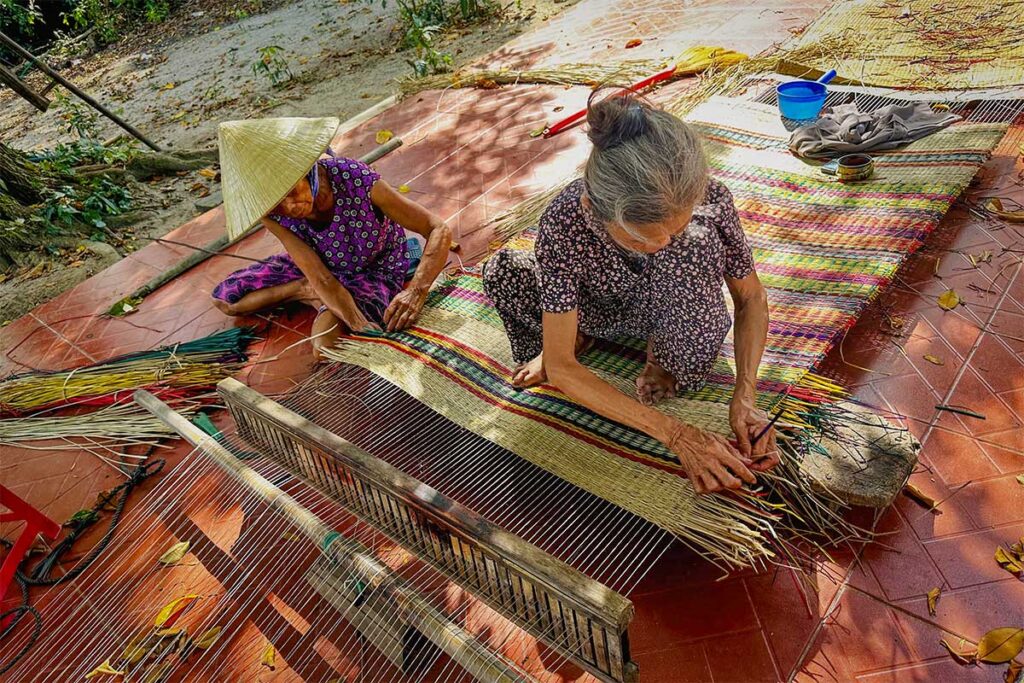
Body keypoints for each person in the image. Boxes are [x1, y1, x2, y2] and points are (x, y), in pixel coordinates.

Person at [482, 90, 778, 495]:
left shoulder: (706, 197)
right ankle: (575, 335)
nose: (664, 242)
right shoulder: (565, 223)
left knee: (694, 247)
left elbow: (751, 298)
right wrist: (676, 435)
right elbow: (564, 369)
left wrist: (744, 394)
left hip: (667, 299)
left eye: (674, 228)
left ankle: (661, 350)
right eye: (645, 239)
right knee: (502, 274)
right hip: (596, 304)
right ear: (595, 210)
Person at [211, 117, 451, 359]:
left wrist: (416, 291)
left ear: (308, 170)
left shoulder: (356, 179)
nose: (291, 207)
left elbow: (437, 228)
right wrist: (356, 322)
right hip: (320, 266)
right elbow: (321, 277)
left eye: (293, 192)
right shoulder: (272, 213)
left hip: (373, 268)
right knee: (228, 300)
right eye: (278, 204)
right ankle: (304, 290)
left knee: (325, 348)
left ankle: (313, 294)